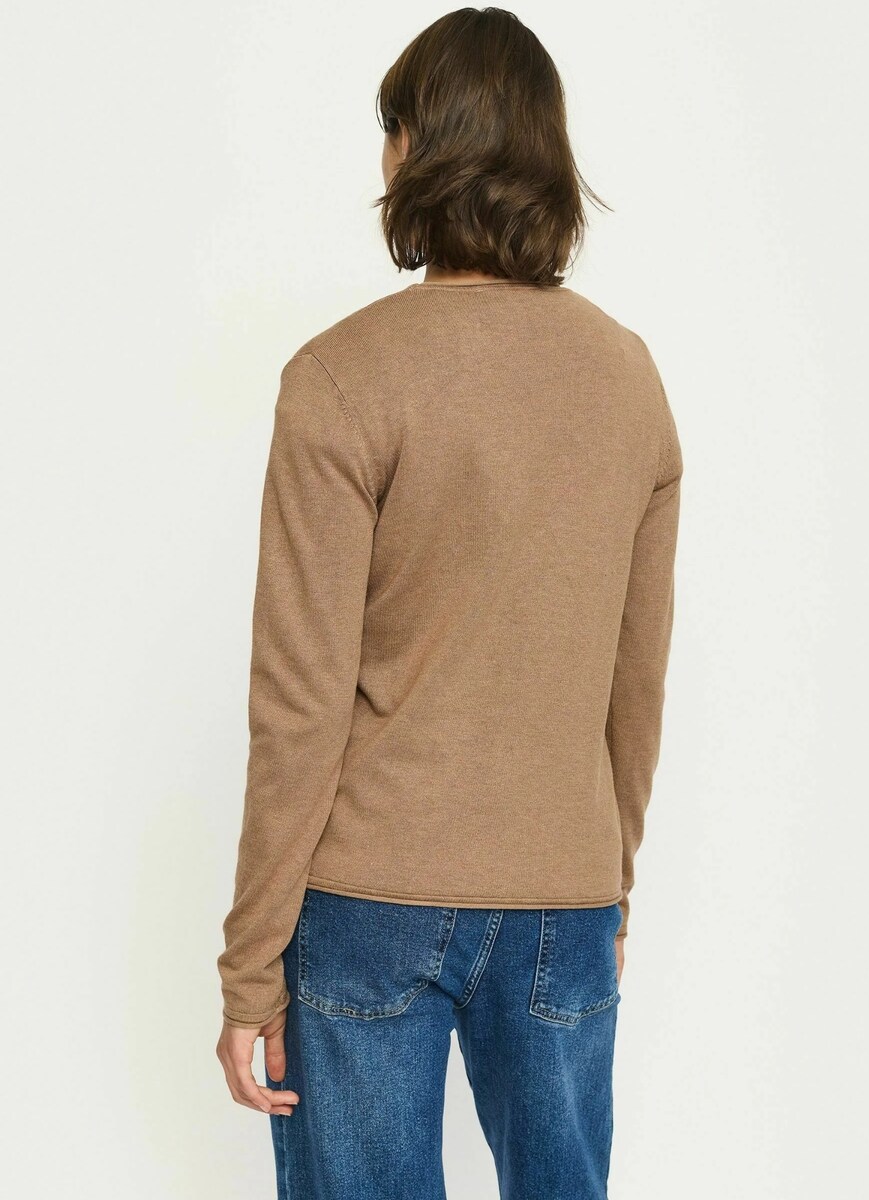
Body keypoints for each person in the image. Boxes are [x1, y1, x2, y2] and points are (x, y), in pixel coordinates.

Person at [215, 7, 683, 1198]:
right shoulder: (629, 380)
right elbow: (635, 681)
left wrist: (250, 968)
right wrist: (610, 883)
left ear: (417, 147)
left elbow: (299, 703)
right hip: (564, 898)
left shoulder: (342, 378)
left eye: (390, 130)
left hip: (368, 899)